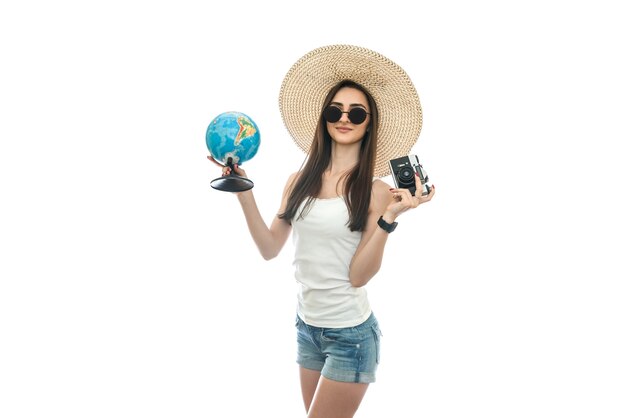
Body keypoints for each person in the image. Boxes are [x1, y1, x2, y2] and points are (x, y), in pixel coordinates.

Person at [208, 44, 435, 418]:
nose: (344, 118)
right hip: (307, 328)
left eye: (356, 113)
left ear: (368, 124)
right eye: (335, 110)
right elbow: (269, 248)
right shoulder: (298, 181)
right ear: (324, 118)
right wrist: (242, 189)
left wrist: (389, 218)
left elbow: (358, 275)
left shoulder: (376, 191)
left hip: (351, 336)